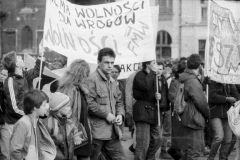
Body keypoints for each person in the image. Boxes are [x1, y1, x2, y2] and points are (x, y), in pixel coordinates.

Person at [1, 51, 45, 160]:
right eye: (19, 58)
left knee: (28, 152)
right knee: (12, 155)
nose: (22, 58)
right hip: (13, 124)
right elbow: (14, 108)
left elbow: (36, 71)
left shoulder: (24, 75)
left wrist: (40, 56)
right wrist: (29, 114)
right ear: (17, 64)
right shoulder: (10, 82)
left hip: (26, 121)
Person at [85, 47, 125, 160]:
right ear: (98, 63)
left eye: (112, 63)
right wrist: (106, 114)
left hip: (113, 131)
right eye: (106, 62)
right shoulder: (91, 80)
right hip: (97, 132)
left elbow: (119, 101)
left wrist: (120, 115)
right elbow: (88, 103)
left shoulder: (112, 81)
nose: (110, 66)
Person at [58, 59, 92, 160]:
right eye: (86, 74)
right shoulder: (69, 89)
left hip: (82, 132)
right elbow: (67, 114)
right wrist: (75, 133)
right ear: (81, 74)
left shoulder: (80, 88)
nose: (87, 77)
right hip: (74, 134)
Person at [178, 54, 210, 160]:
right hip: (194, 119)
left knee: (187, 151)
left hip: (187, 117)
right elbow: (200, 102)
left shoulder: (187, 78)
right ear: (199, 66)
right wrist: (208, 114)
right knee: (194, 152)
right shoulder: (192, 81)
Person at [10, 90, 56, 160]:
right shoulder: (23, 124)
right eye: (44, 105)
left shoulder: (36, 121)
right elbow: (15, 150)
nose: (46, 107)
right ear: (35, 107)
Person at [132, 60, 162, 160]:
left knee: (158, 139)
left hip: (153, 110)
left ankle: (149, 158)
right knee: (143, 143)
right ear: (147, 64)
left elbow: (155, 92)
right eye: (154, 63)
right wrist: (153, 73)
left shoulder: (154, 76)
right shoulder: (140, 75)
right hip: (142, 111)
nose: (156, 65)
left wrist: (158, 96)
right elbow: (145, 86)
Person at [43, 92, 84, 160]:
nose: (70, 108)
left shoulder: (68, 121)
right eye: (67, 106)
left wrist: (77, 137)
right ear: (59, 109)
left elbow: (76, 130)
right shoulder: (49, 124)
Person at [208, 80, 238, 160]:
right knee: (219, 137)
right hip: (215, 113)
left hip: (227, 114)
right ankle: (211, 158)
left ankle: (223, 158)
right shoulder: (212, 82)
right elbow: (212, 97)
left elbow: (236, 96)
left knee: (228, 139)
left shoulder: (229, 82)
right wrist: (226, 98)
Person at [157, 62, 172, 159]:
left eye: (161, 69)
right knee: (157, 133)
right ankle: (151, 151)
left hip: (166, 108)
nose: (159, 70)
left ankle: (163, 151)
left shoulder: (164, 80)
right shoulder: (151, 80)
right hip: (157, 109)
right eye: (157, 68)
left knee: (167, 132)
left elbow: (166, 94)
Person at [111, 65, 126, 141]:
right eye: (112, 72)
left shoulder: (122, 83)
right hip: (112, 107)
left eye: (116, 72)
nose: (114, 74)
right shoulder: (108, 83)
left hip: (121, 105)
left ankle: (121, 134)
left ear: (119, 73)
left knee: (120, 120)